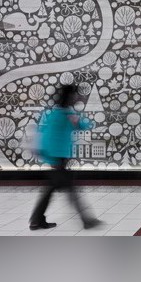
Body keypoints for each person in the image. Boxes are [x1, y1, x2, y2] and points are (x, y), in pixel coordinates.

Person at [29, 84, 102, 231]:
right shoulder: (62, 115)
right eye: (75, 95)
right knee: (71, 190)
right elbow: (51, 136)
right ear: (69, 97)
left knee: (51, 190)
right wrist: (53, 159)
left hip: (57, 158)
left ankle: (36, 220)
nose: (77, 98)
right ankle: (86, 220)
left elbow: (82, 125)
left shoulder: (61, 114)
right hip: (58, 159)